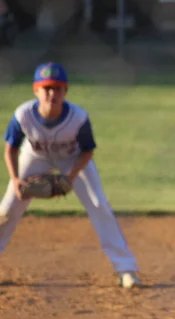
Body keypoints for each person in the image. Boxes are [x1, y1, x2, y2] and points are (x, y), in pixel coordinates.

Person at [0, 62, 141, 288]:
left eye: (57, 88)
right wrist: (16, 179)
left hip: (72, 159)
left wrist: (70, 176)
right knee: (7, 208)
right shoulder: (23, 115)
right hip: (34, 157)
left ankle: (126, 269)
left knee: (98, 204)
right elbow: (11, 149)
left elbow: (88, 150)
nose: (52, 94)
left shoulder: (78, 117)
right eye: (46, 88)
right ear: (36, 90)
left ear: (65, 91)